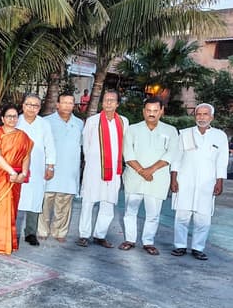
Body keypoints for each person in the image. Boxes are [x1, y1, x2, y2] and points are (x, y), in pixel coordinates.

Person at [119, 97, 179, 255]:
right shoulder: (132, 129)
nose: (151, 114)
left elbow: (171, 154)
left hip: (157, 179)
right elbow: (128, 153)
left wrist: (150, 170)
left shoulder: (171, 131)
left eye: (155, 110)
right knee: (130, 211)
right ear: (143, 111)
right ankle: (129, 240)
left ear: (161, 111)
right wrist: (141, 171)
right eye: (148, 110)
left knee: (153, 214)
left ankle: (148, 242)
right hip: (134, 178)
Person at [169, 103, 227, 260]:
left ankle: (198, 248)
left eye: (205, 114)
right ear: (195, 116)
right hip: (185, 181)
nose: (201, 117)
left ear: (211, 117)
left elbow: (222, 161)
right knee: (182, 216)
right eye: (199, 114)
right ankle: (180, 246)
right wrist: (173, 179)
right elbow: (176, 158)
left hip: (207, 182)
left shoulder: (220, 136)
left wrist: (219, 181)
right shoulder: (185, 134)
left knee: (203, 217)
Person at [76, 90, 129, 248]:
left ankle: (100, 235)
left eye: (112, 100)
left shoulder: (123, 121)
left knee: (108, 203)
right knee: (88, 202)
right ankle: (84, 235)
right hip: (94, 168)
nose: (109, 102)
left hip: (114, 170)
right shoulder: (92, 121)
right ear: (102, 102)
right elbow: (86, 143)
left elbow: (125, 144)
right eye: (106, 100)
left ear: (117, 104)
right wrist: (91, 161)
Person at [0, 104, 33, 254]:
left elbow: (26, 156)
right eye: (9, 116)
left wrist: (23, 173)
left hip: (15, 178)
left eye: (14, 116)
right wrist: (11, 172)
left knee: (10, 209)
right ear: (2, 118)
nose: (12, 119)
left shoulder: (23, 136)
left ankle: (7, 243)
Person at [38, 93, 83, 242]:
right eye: (64, 102)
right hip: (50, 169)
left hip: (70, 170)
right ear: (57, 104)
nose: (67, 106)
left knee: (64, 203)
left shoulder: (79, 123)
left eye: (70, 103)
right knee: (45, 201)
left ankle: (59, 232)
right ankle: (42, 230)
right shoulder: (46, 122)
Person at [16, 94, 56, 246]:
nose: (31, 108)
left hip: (38, 166)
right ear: (23, 105)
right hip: (17, 166)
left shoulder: (44, 124)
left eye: (35, 105)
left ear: (39, 108)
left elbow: (50, 145)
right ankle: (12, 232)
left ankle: (30, 233)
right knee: (16, 198)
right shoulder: (16, 120)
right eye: (28, 104)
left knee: (35, 199)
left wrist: (50, 165)